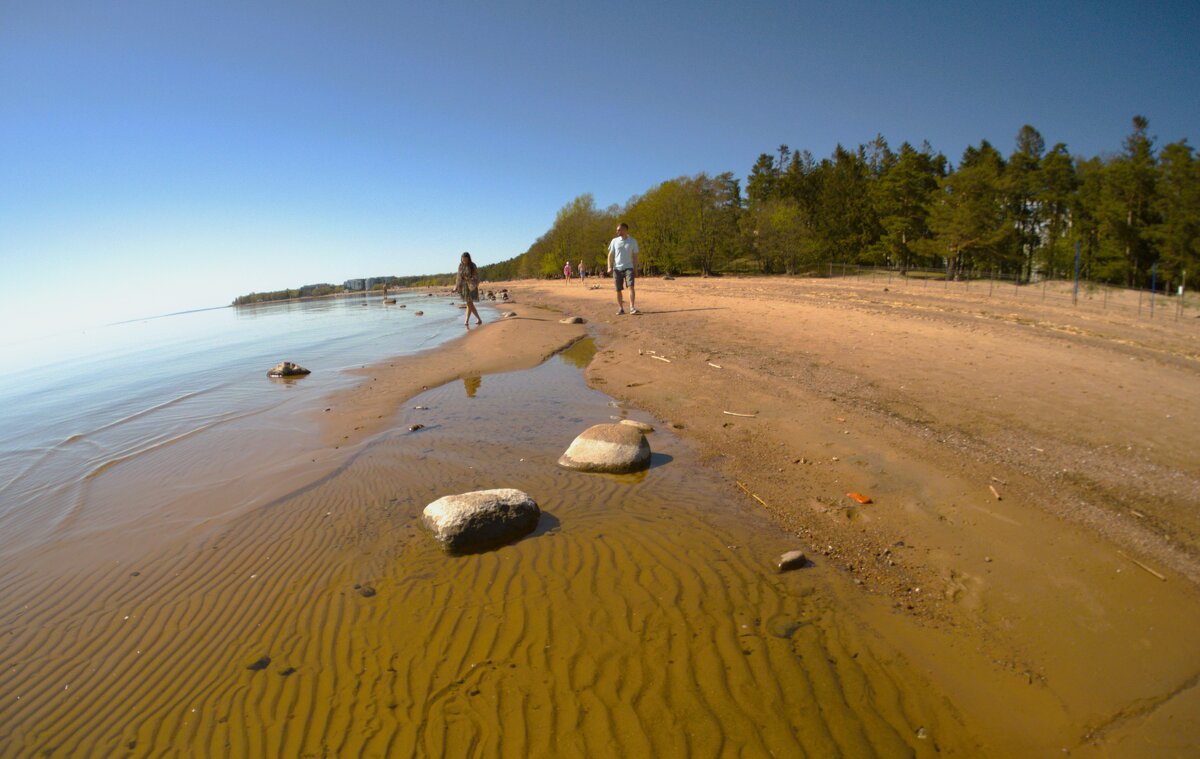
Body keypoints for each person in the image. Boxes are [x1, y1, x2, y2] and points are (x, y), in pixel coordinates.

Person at [606, 222, 639, 314]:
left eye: (619, 230)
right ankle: (621, 308)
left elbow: (635, 257)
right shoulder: (614, 241)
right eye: (617, 230)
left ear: (625, 230)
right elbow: (610, 255)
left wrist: (636, 269)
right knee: (618, 289)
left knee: (631, 286)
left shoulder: (633, 241)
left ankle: (632, 307)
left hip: (629, 267)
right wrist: (609, 266)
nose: (617, 231)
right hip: (617, 268)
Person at [455, 251, 483, 327]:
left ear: (468, 258)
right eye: (462, 259)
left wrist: (467, 278)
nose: (464, 260)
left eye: (465, 259)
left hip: (471, 287)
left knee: (469, 303)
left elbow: (476, 277)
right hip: (463, 287)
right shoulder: (460, 265)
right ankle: (477, 319)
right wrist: (456, 286)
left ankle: (467, 320)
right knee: (469, 304)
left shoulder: (473, 265)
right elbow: (458, 276)